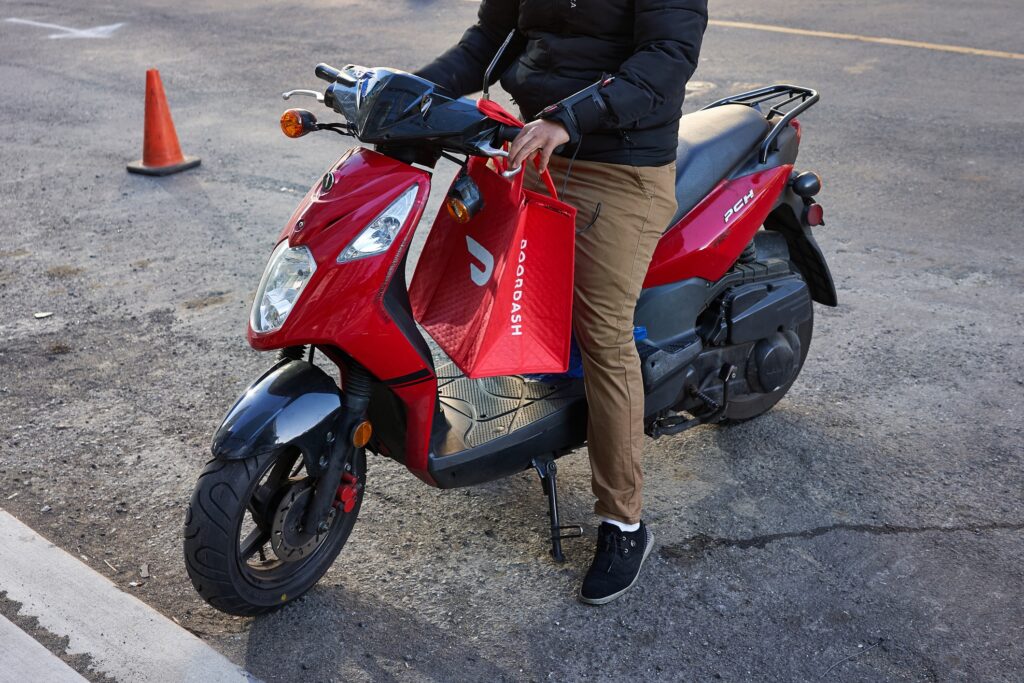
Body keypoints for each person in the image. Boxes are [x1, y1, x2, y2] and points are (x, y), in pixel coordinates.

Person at [417, 0, 708, 604]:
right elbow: (489, 40)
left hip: (619, 167)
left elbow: (666, 57)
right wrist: (410, 93)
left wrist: (570, 118)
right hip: (536, 146)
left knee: (603, 336)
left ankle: (624, 521)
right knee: (499, 294)